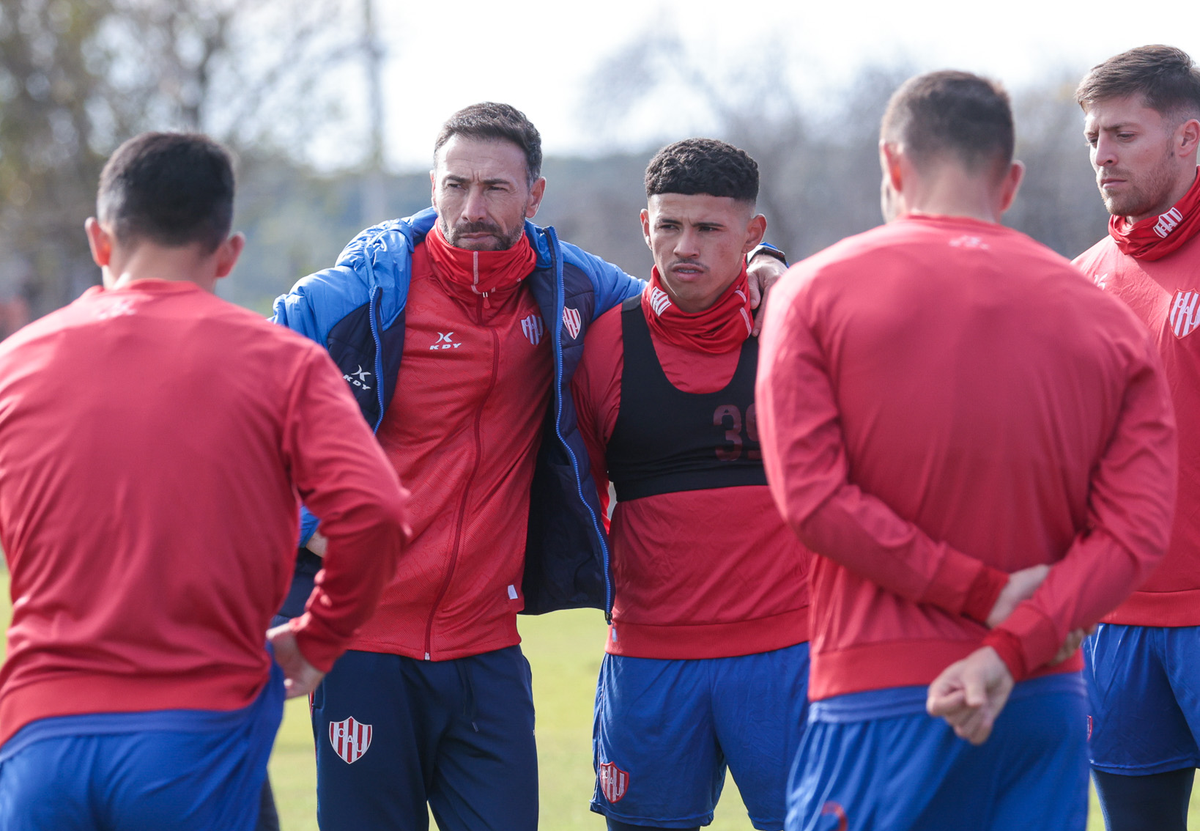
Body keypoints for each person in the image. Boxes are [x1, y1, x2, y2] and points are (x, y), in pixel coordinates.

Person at [271, 103, 787, 831]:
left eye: (496, 189)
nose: (472, 209)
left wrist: (767, 262)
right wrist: (310, 522)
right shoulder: (353, 297)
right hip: (366, 639)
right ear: (432, 186)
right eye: (456, 186)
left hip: (488, 646)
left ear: (535, 195)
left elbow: (677, 289)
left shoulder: (571, 288)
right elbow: (239, 415)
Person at [755, 70, 1177, 831]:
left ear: (892, 165)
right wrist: (1013, 645)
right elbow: (1136, 532)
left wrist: (985, 593)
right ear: (1009, 182)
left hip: (883, 697)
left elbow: (813, 501)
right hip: (1041, 698)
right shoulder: (1105, 315)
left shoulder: (811, 292)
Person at [0, 132, 410, 831]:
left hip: (40, 736)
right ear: (229, 254)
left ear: (99, 240)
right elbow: (375, 512)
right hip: (197, 729)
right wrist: (319, 638)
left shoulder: (15, 363)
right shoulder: (283, 363)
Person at [571, 138, 810, 831]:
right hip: (649, 659)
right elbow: (582, 497)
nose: (685, 246)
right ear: (645, 225)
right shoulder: (602, 347)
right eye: (669, 225)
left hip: (789, 652)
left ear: (753, 232)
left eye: (708, 228)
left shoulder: (799, 332)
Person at [1071, 45, 1200, 831]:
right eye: (1093, 137)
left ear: (1187, 137)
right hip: (1114, 626)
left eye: (1123, 134)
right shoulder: (1077, 281)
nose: (1102, 155)